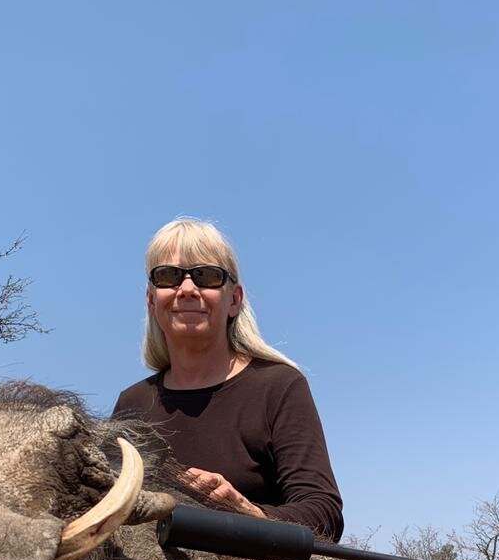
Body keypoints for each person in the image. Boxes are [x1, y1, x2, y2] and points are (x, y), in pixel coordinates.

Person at [112, 217, 344, 541]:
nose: (188, 290)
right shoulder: (131, 404)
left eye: (207, 276)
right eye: (168, 277)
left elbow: (324, 514)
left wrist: (249, 513)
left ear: (234, 299)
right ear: (152, 301)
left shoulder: (279, 386)